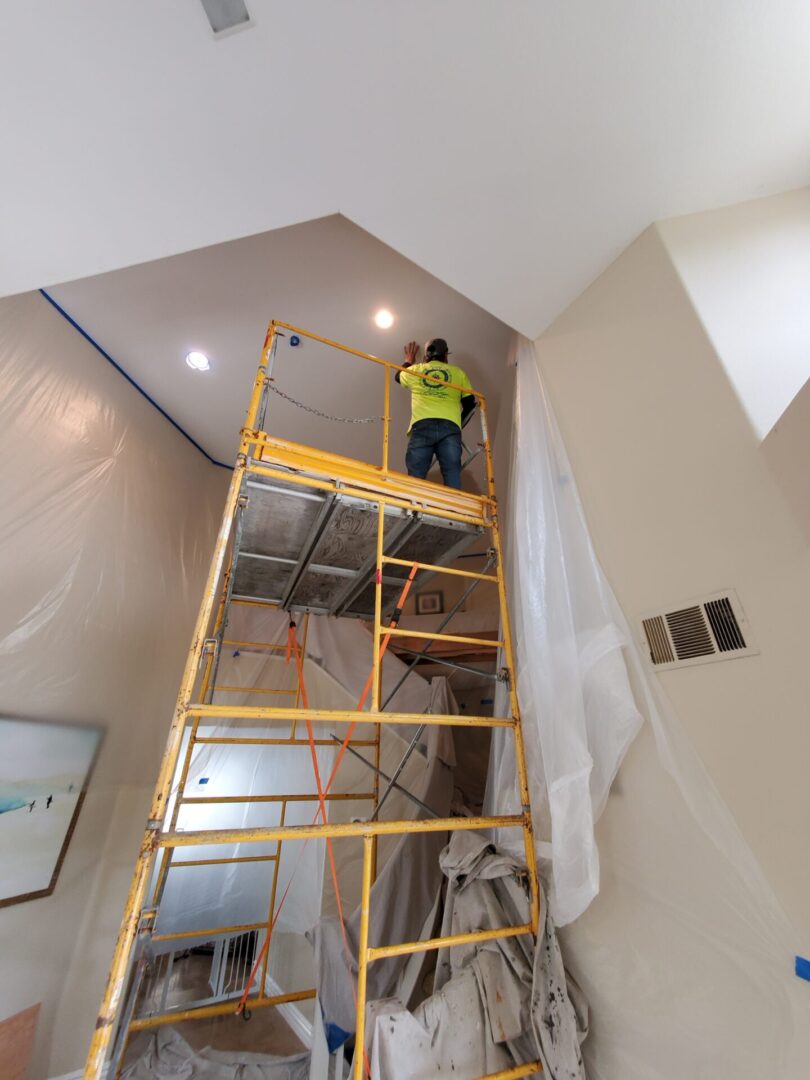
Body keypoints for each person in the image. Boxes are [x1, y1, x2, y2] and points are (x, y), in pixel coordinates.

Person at [395, 338, 476, 489]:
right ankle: (452, 509)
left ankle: (414, 509)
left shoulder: (416, 370)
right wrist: (457, 423)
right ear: (446, 355)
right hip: (450, 428)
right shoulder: (458, 373)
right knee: (452, 474)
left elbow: (398, 376)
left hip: (422, 425)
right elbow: (470, 404)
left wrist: (408, 360)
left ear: (426, 356)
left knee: (416, 476)